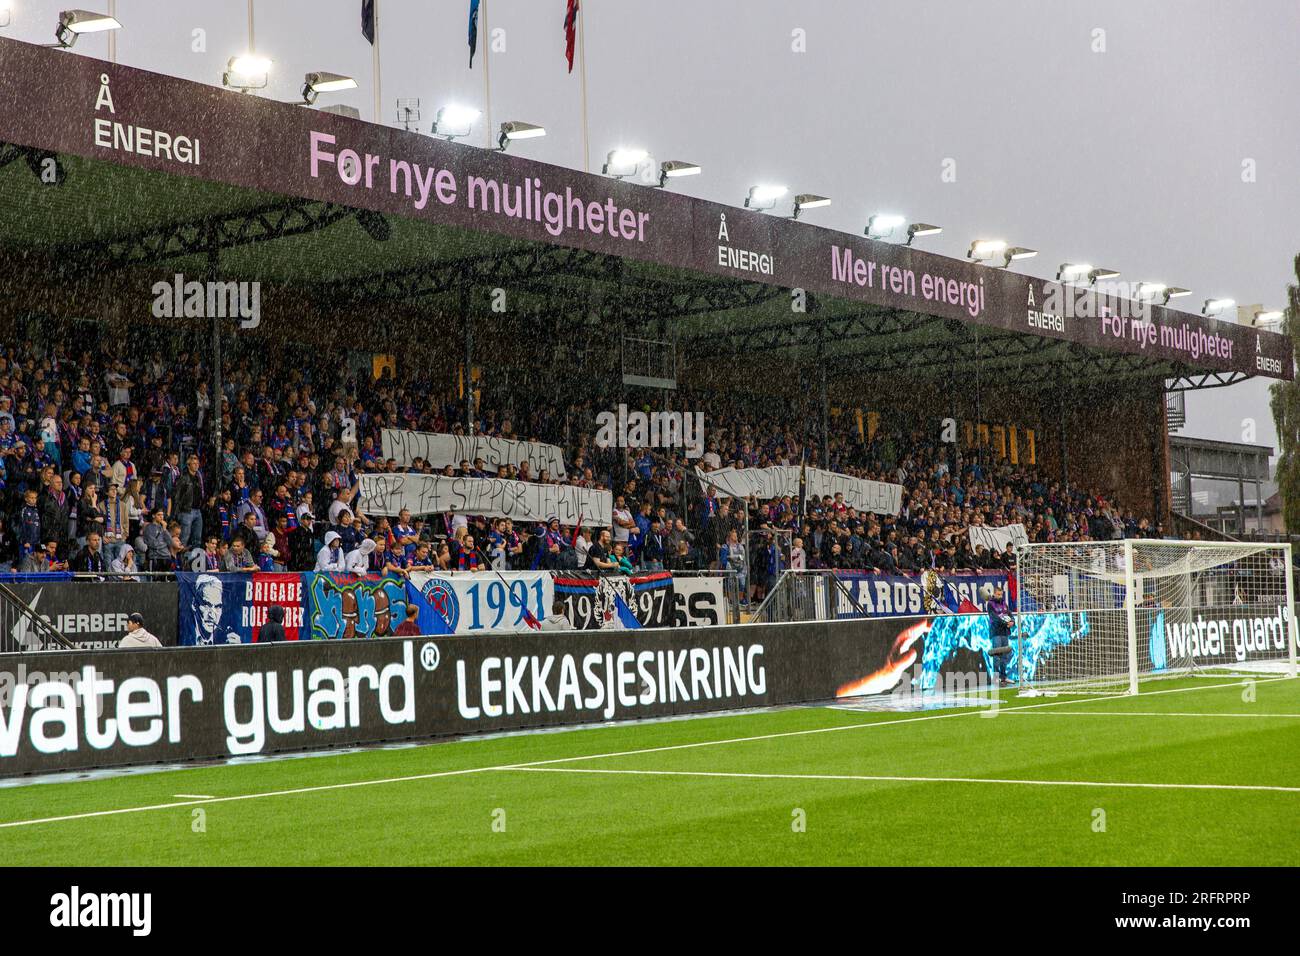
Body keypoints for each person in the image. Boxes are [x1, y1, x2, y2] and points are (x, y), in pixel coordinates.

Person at [986, 583, 1014, 686]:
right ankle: (996, 678)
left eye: (1001, 594)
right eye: (998, 594)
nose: (1000, 596)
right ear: (994, 594)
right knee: (997, 656)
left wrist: (1012, 622)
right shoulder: (990, 604)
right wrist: (1006, 623)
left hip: (1005, 633)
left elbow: (1010, 614)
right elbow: (994, 618)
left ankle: (1004, 677)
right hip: (996, 633)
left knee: (1005, 656)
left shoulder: (1004, 603)